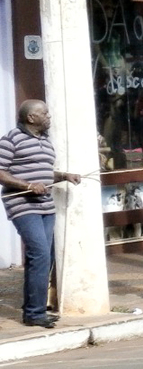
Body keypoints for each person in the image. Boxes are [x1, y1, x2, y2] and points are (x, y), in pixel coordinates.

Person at [0, 101, 81, 328]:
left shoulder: (45, 141)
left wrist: (65, 175)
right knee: (40, 254)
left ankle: (32, 310)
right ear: (31, 118)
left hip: (46, 206)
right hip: (23, 205)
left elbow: (43, 173)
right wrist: (27, 185)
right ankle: (35, 313)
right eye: (44, 113)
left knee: (44, 257)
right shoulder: (11, 139)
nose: (49, 116)